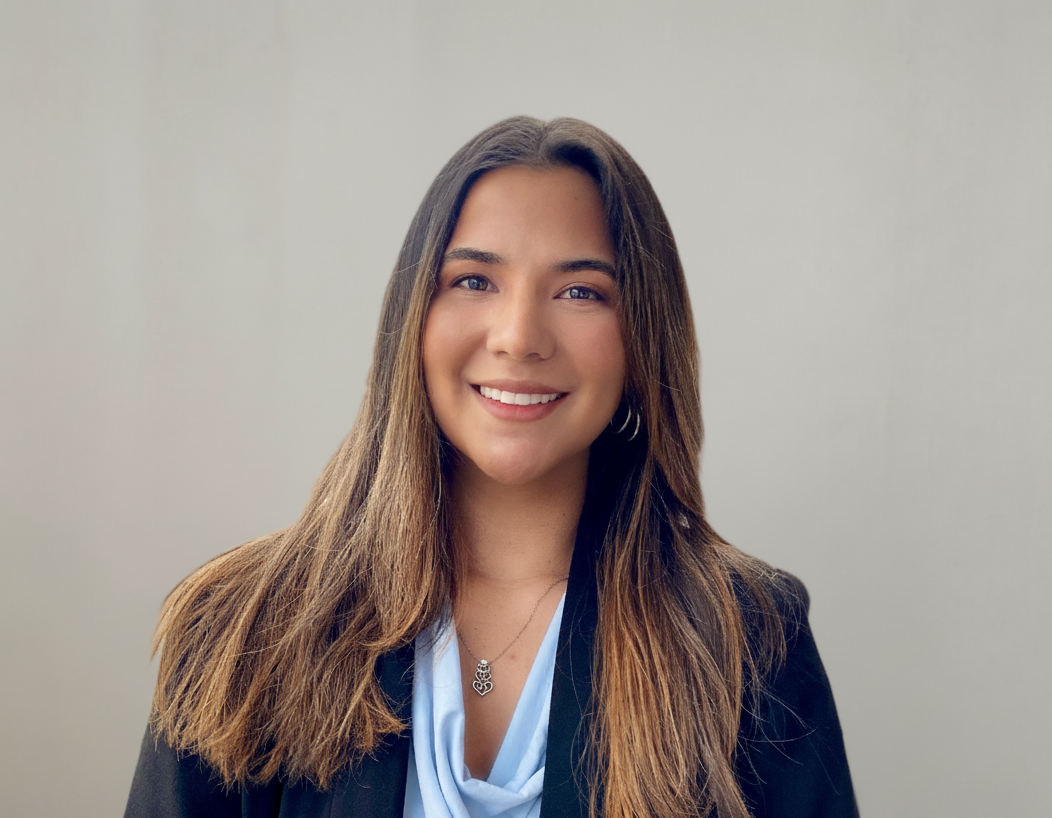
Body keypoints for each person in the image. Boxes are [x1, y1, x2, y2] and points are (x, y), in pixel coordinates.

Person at [125, 117, 858, 818]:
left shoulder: (746, 641)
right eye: (474, 280)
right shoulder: (238, 630)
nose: (518, 337)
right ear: (412, 316)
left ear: (641, 337)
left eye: (580, 292)